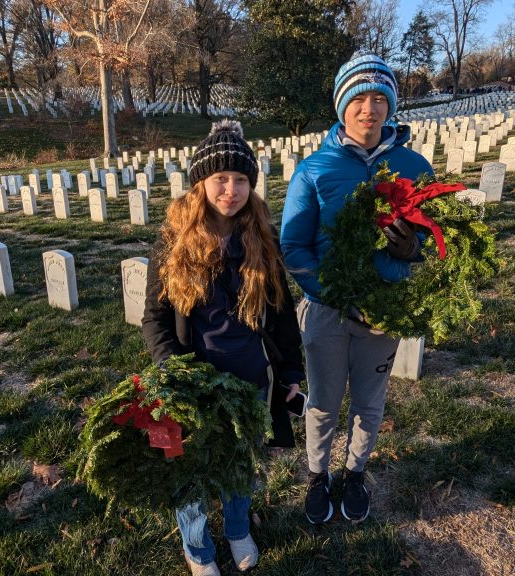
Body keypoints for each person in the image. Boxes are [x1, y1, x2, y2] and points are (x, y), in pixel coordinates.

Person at [142, 120, 305, 576]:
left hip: (250, 378)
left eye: (240, 179)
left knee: (239, 461)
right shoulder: (174, 244)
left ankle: (237, 528)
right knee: (191, 468)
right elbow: (154, 318)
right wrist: (174, 369)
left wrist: (291, 373)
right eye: (220, 179)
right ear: (201, 183)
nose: (230, 189)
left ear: (251, 185)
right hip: (195, 379)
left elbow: (281, 314)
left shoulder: (261, 240)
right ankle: (197, 547)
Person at [280, 52, 434, 525]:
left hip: (384, 310)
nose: (368, 109)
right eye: (358, 99)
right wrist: (336, 293)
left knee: (369, 402)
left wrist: (410, 249)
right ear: (342, 106)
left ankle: (355, 473)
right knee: (323, 403)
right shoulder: (315, 169)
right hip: (327, 310)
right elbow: (294, 244)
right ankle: (316, 475)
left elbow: (431, 235)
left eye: (378, 98)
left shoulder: (413, 164)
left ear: (390, 105)